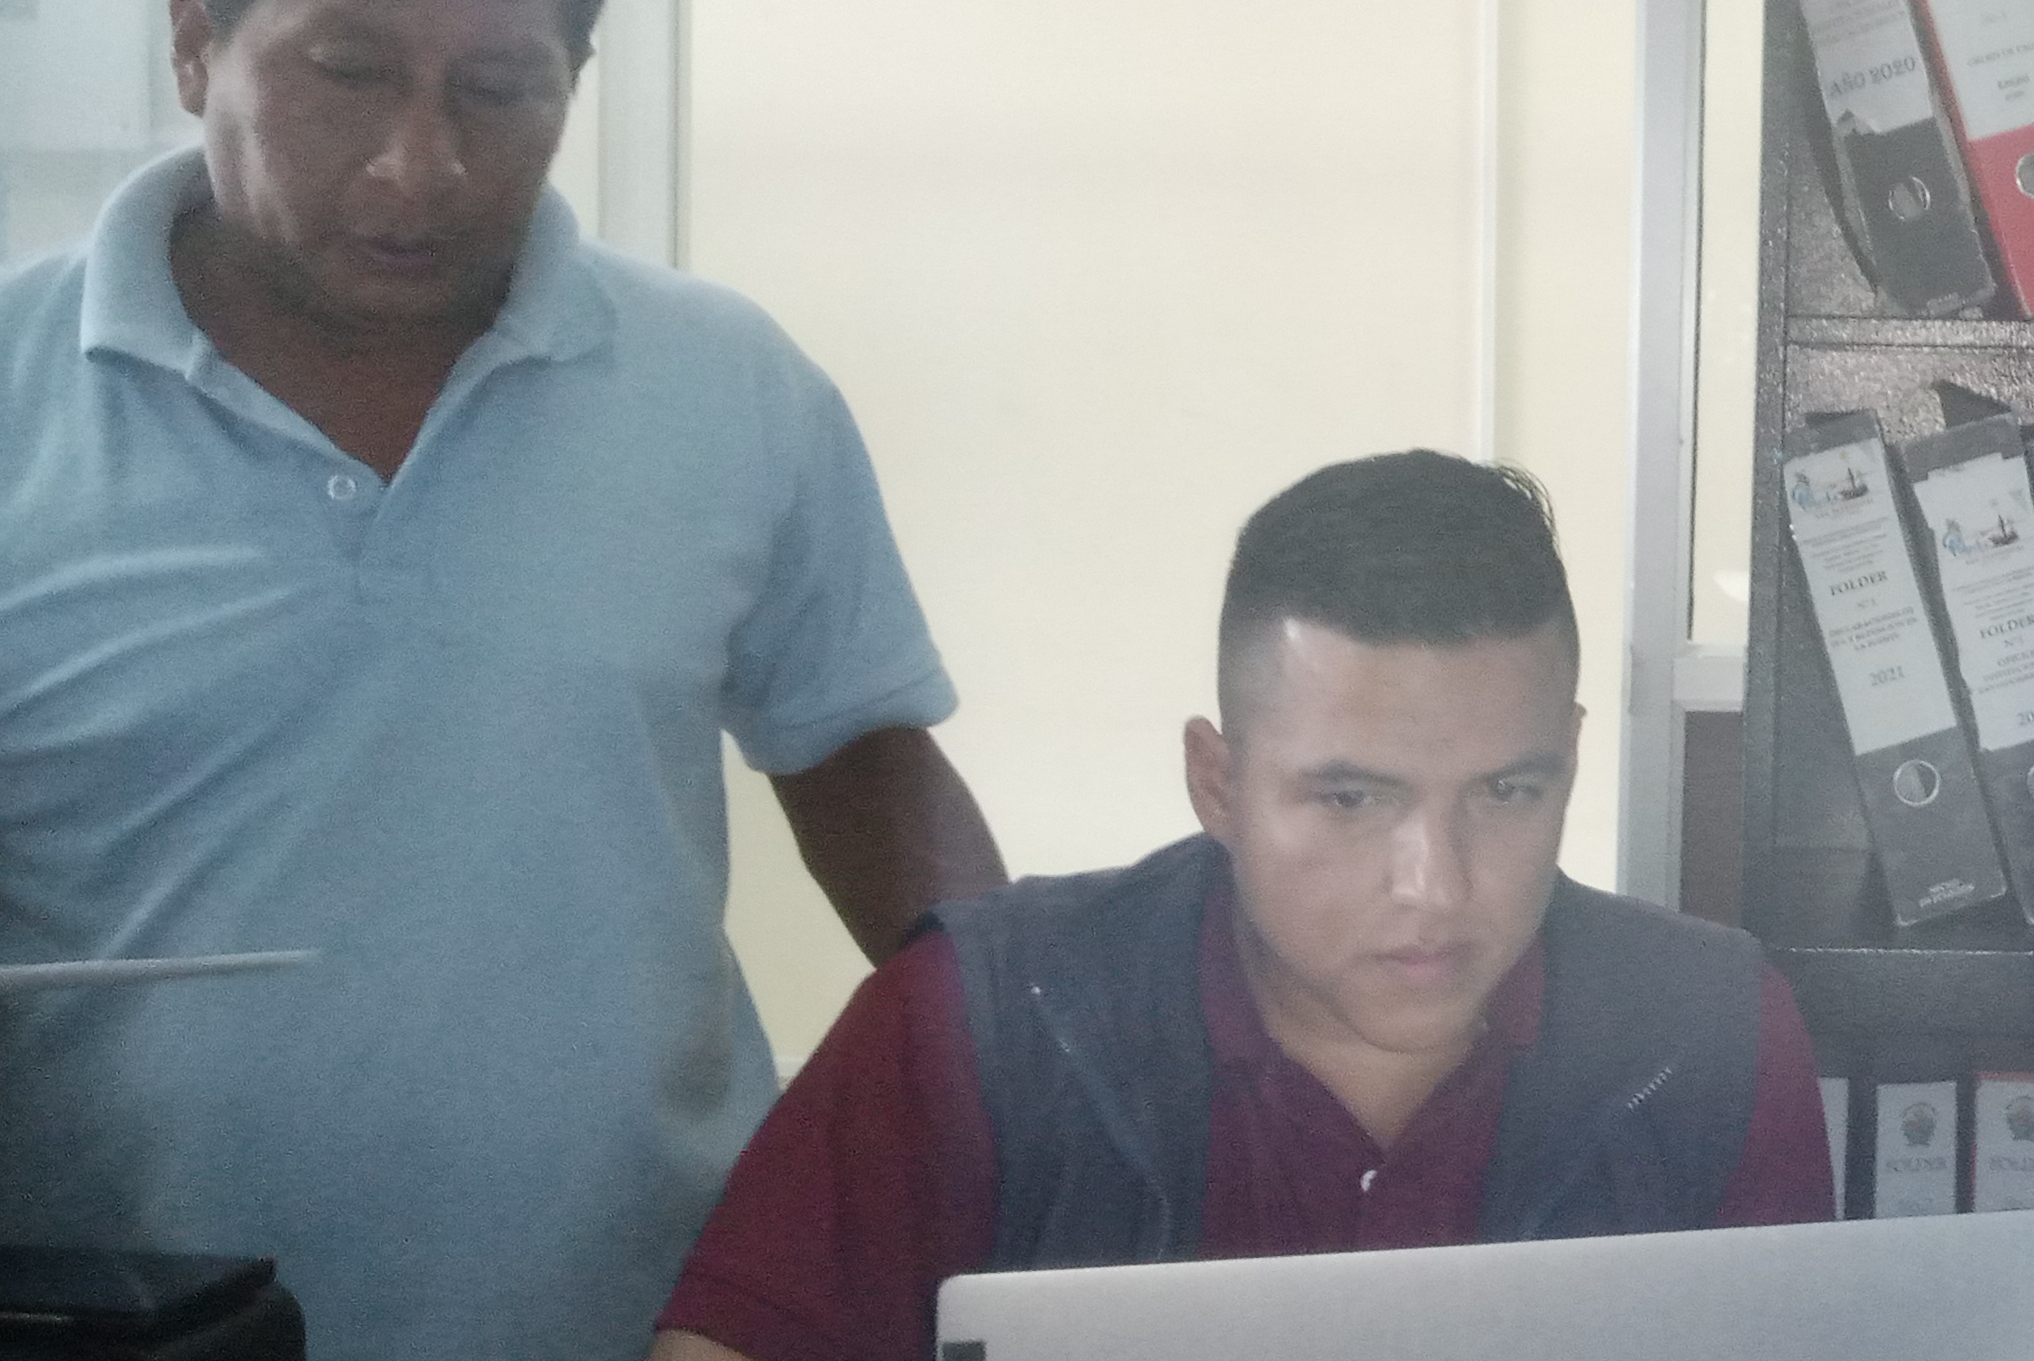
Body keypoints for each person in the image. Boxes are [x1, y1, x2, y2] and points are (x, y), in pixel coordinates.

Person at [0, 0, 1003, 1361]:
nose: (419, 166)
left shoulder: (727, 388)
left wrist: (1057, 1101)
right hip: (130, 1335)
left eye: (500, 92)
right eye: (348, 75)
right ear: (195, 41)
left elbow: (871, 783)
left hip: (651, 1326)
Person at [652, 451, 1834, 1361]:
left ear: (1569, 761)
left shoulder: (1708, 1036)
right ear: (1218, 784)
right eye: (1351, 799)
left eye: (1507, 792)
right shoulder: (989, 1017)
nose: (1435, 885)